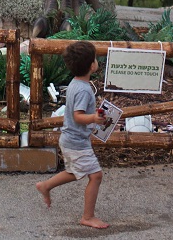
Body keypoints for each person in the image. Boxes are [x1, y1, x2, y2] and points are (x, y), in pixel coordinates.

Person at [35, 40, 109, 229]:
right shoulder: (84, 90)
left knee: (74, 172)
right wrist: (94, 117)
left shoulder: (75, 83)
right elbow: (78, 116)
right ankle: (88, 216)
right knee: (96, 175)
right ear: (92, 65)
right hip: (76, 142)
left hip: (70, 139)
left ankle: (46, 186)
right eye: (95, 58)